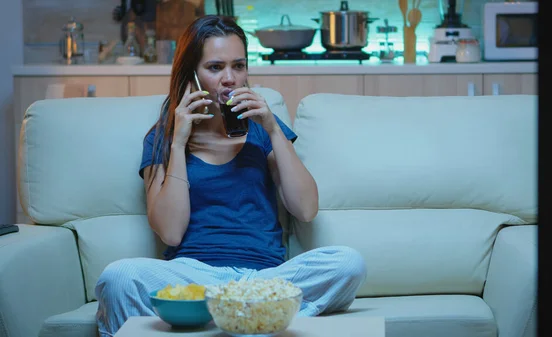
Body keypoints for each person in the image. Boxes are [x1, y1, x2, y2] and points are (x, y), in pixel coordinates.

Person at [94, 15, 367, 336]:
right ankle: (252, 319)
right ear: (191, 75)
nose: (230, 78)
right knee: (119, 276)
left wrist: (272, 128)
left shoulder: (265, 131)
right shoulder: (164, 138)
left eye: (239, 66)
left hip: (264, 279)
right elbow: (170, 233)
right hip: (193, 278)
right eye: (215, 67)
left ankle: (217, 317)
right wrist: (179, 142)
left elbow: (306, 209)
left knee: (348, 262)